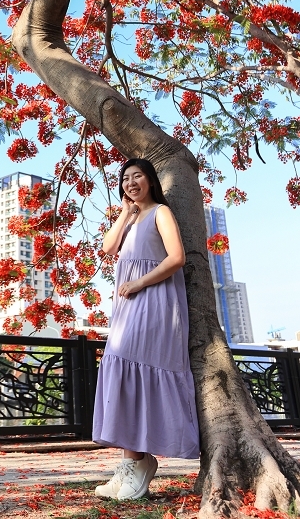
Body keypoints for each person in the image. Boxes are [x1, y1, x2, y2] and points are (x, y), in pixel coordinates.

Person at [93, 158, 199, 501]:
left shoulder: (161, 214)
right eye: (125, 178)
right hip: (127, 308)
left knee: (128, 370)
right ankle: (131, 464)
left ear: (151, 180)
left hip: (155, 304)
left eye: (137, 176)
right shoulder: (133, 217)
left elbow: (177, 257)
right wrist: (124, 213)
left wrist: (139, 283)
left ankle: (137, 465)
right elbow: (108, 248)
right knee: (121, 373)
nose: (131, 182)